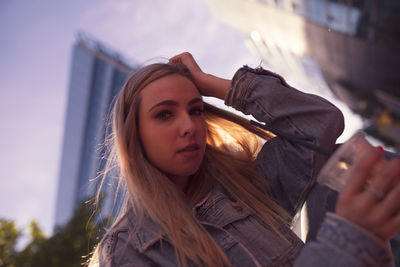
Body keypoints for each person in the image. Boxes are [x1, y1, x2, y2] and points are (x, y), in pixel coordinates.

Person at [90, 52, 400, 266]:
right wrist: (348, 241)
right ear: (134, 135)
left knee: (338, 168)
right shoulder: (129, 251)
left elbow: (320, 126)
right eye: (164, 114)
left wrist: (214, 85)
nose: (189, 126)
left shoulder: (240, 187)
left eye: (196, 110)